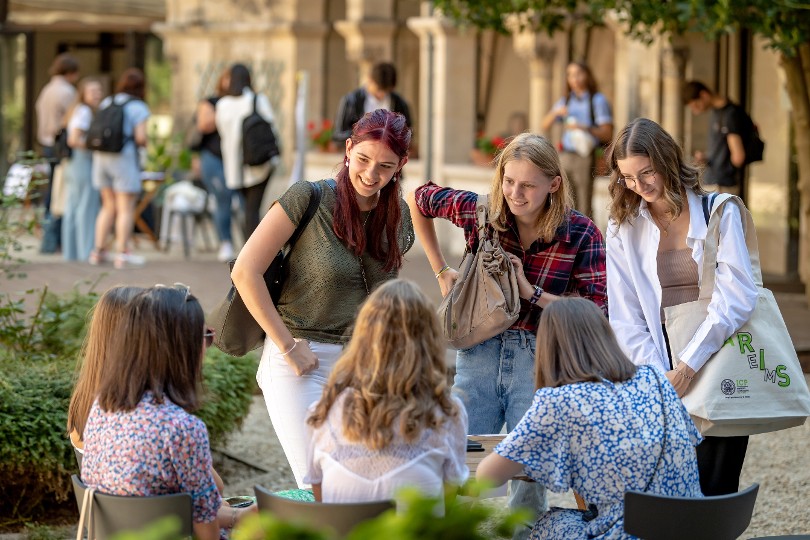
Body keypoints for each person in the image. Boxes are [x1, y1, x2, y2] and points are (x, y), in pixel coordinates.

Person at [408, 132, 607, 540]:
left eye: (528, 185)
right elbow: (419, 198)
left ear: (554, 184)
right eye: (508, 181)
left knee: (528, 478)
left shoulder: (581, 233)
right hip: (477, 351)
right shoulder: (481, 212)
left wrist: (532, 293)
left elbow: (595, 314)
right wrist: (440, 269)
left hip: (540, 357)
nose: (515, 194)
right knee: (455, 456)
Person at [231, 109, 414, 488]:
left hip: (365, 367)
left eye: (385, 165)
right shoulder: (307, 197)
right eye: (362, 159)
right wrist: (286, 346)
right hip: (300, 359)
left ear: (401, 165)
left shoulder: (397, 216)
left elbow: (384, 298)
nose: (370, 174)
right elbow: (245, 271)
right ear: (348, 148)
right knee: (321, 487)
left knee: (368, 483)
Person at [604, 117, 757, 496]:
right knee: (664, 494)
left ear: (668, 160)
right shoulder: (622, 223)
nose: (639, 186)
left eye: (647, 172)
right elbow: (625, 314)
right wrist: (659, 380)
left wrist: (688, 368)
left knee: (716, 489)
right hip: (658, 374)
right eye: (627, 178)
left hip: (719, 364)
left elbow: (736, 297)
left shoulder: (720, 211)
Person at [476, 298, 703, 540]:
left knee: (549, 524)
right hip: (695, 527)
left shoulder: (559, 401)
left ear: (548, 349)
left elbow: (487, 478)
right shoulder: (656, 380)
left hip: (631, 534)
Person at [80, 285, 252, 539]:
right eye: (204, 337)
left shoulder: (101, 406)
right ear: (181, 348)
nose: (207, 346)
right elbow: (207, 530)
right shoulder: (180, 428)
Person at [304, 279, 468, 504]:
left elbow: (320, 499)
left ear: (362, 338)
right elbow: (449, 504)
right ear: (429, 340)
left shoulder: (324, 410)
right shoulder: (448, 413)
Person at [89, 67, 151, 269]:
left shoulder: (109, 101)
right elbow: (141, 137)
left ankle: (98, 251)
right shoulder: (138, 107)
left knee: (107, 205)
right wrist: (145, 145)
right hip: (122, 158)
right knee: (125, 207)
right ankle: (122, 253)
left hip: (101, 157)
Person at [216, 63, 279, 240]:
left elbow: (222, 132)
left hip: (235, 166)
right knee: (253, 209)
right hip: (259, 162)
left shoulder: (222, 105)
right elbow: (272, 128)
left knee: (246, 209)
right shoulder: (257, 100)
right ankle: (253, 253)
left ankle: (248, 250)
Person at [541, 62, 613, 217]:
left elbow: (607, 133)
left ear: (587, 75)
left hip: (585, 155)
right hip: (565, 155)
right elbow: (544, 124)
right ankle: (568, 237)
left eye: (578, 73)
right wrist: (556, 113)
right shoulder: (566, 100)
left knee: (584, 202)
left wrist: (584, 127)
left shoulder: (597, 100)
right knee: (564, 200)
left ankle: (586, 238)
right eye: (570, 75)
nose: (575, 78)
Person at [35, 53, 80, 254]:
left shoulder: (47, 90)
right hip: (59, 145)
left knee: (52, 192)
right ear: (70, 72)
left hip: (46, 142)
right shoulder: (67, 91)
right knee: (59, 193)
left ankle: (48, 240)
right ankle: (53, 241)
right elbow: (71, 119)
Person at [61, 78, 103, 262]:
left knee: (73, 206)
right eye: (92, 91)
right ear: (83, 94)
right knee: (86, 206)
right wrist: (95, 144)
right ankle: (85, 252)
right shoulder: (84, 112)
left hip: (72, 163)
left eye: (98, 90)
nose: (96, 94)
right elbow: (74, 139)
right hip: (81, 161)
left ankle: (70, 253)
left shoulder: (77, 110)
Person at [683, 80, 749, 197]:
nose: (696, 111)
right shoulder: (716, 112)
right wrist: (708, 157)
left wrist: (723, 166)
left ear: (704, 95)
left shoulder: (730, 115)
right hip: (715, 182)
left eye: (696, 105)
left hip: (722, 185)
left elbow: (738, 156)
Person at [196, 68, 236, 261]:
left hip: (237, 159)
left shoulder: (246, 102)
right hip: (214, 158)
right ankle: (225, 242)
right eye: (228, 79)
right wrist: (225, 111)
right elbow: (203, 124)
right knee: (222, 199)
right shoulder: (212, 102)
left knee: (244, 204)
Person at [332, 62, 412, 144]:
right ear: (370, 80)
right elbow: (337, 135)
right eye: (378, 89)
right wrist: (363, 134)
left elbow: (408, 134)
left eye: (386, 91)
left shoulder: (400, 103)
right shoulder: (350, 101)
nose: (382, 94)